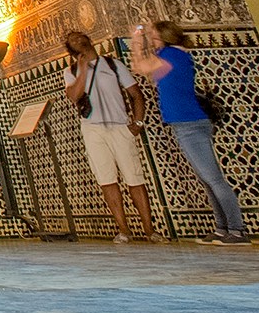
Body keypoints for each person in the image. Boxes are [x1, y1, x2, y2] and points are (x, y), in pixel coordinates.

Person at [130, 20, 249, 245]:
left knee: (214, 178)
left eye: (154, 35)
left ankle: (237, 230)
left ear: (164, 36)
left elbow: (141, 67)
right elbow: (143, 67)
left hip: (191, 124)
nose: (151, 37)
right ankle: (222, 228)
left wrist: (136, 40)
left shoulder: (174, 55)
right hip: (184, 124)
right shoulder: (170, 55)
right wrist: (139, 41)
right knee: (207, 179)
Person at [62, 31, 163, 243]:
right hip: (92, 129)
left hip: (120, 127)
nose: (78, 39)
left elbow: (136, 94)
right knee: (107, 180)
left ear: (89, 40)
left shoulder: (113, 65)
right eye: (72, 40)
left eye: (80, 36)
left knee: (134, 178)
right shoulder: (70, 71)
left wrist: (138, 123)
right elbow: (73, 96)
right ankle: (123, 230)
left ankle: (149, 230)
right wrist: (81, 70)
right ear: (71, 50)